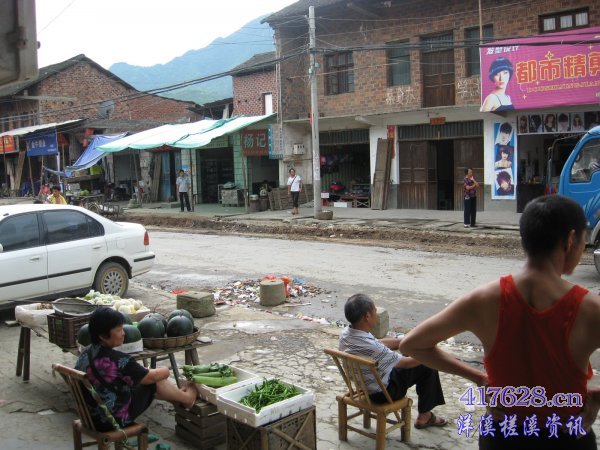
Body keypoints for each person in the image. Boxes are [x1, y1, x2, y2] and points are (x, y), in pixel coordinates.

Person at [400, 195, 600, 449]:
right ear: (570, 240)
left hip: (502, 435)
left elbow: (412, 344)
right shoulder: (590, 309)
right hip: (567, 436)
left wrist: (479, 378)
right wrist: (596, 399)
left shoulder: (483, 300)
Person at [75, 308, 197, 432]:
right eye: (119, 330)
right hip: (111, 420)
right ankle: (187, 399)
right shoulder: (118, 360)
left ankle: (179, 398)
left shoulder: (86, 352)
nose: (124, 333)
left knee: (146, 377)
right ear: (103, 336)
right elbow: (152, 377)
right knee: (154, 381)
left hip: (90, 416)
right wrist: (164, 370)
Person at [339, 294, 448, 429]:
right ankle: (425, 416)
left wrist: (404, 341)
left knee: (410, 354)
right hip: (383, 393)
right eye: (374, 311)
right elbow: (406, 363)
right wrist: (430, 353)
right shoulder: (373, 348)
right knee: (426, 365)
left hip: (364, 385)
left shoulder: (347, 334)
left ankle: (425, 413)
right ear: (367, 316)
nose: (376, 314)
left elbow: (379, 343)